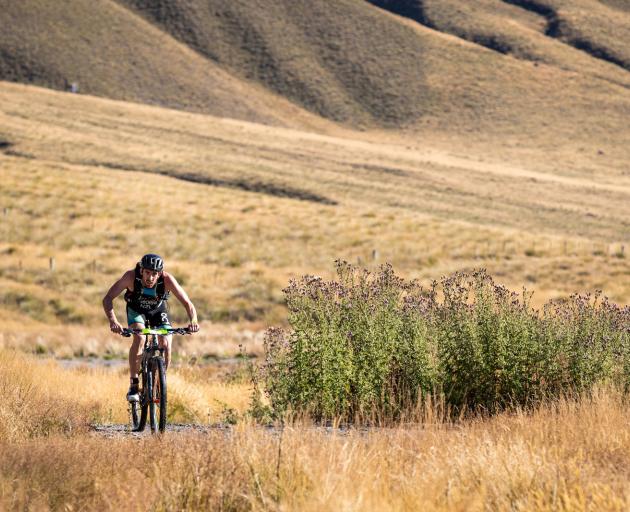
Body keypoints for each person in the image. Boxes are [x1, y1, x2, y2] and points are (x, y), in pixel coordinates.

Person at [102, 253, 199, 401]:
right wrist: (113, 321)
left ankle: (160, 382)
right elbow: (108, 298)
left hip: (158, 310)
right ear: (141, 270)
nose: (150, 278)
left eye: (154, 274)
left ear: (159, 273)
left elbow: (188, 303)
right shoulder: (130, 277)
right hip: (137, 310)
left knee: (166, 343)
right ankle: (134, 384)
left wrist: (193, 321)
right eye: (147, 272)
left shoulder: (167, 280)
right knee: (140, 337)